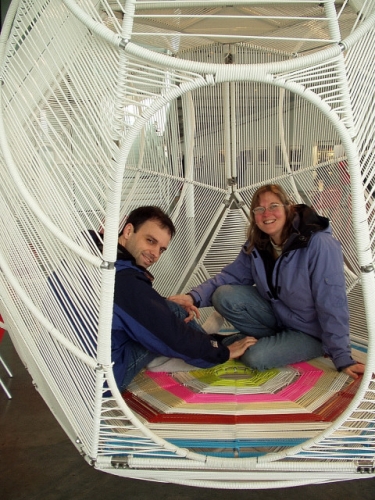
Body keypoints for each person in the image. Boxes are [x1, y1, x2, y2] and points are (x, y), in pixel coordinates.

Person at [169, 184, 365, 380]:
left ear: (288, 208)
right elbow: (229, 277)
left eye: (274, 206)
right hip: (278, 319)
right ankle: (264, 341)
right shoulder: (258, 244)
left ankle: (239, 342)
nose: (266, 213)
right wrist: (192, 298)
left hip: (310, 332)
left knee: (256, 357)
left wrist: (342, 357)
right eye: (259, 209)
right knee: (224, 294)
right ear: (254, 216)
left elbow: (332, 302)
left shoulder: (319, 245)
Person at [92, 206, 255, 392]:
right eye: (150, 241)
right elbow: (169, 333)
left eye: (161, 249)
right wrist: (222, 353)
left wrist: (157, 304)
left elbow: (126, 305)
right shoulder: (123, 280)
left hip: (69, 366)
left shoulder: (90, 254)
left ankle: (205, 339)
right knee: (171, 320)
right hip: (103, 379)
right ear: (128, 231)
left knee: (166, 310)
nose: (154, 254)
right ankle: (214, 343)